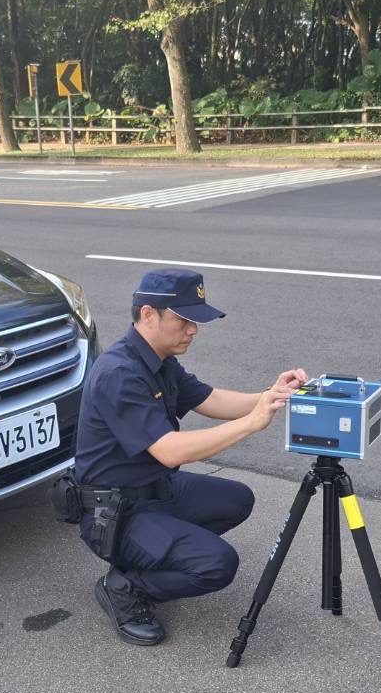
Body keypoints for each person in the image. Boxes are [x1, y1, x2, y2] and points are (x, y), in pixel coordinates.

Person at [73, 268, 306, 645]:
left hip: (154, 489)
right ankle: (125, 587)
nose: (193, 330)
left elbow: (210, 399)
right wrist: (251, 424)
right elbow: (169, 451)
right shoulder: (120, 373)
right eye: (183, 320)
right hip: (116, 512)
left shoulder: (158, 358)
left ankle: (158, 554)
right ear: (148, 315)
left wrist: (270, 396)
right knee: (218, 564)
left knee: (237, 499)